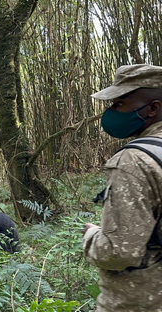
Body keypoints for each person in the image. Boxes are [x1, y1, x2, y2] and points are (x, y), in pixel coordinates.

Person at [82, 64, 162, 311]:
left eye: (119, 104)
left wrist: (91, 236)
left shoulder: (135, 160)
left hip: (142, 299)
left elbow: (120, 252)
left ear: (153, 108)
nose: (111, 112)